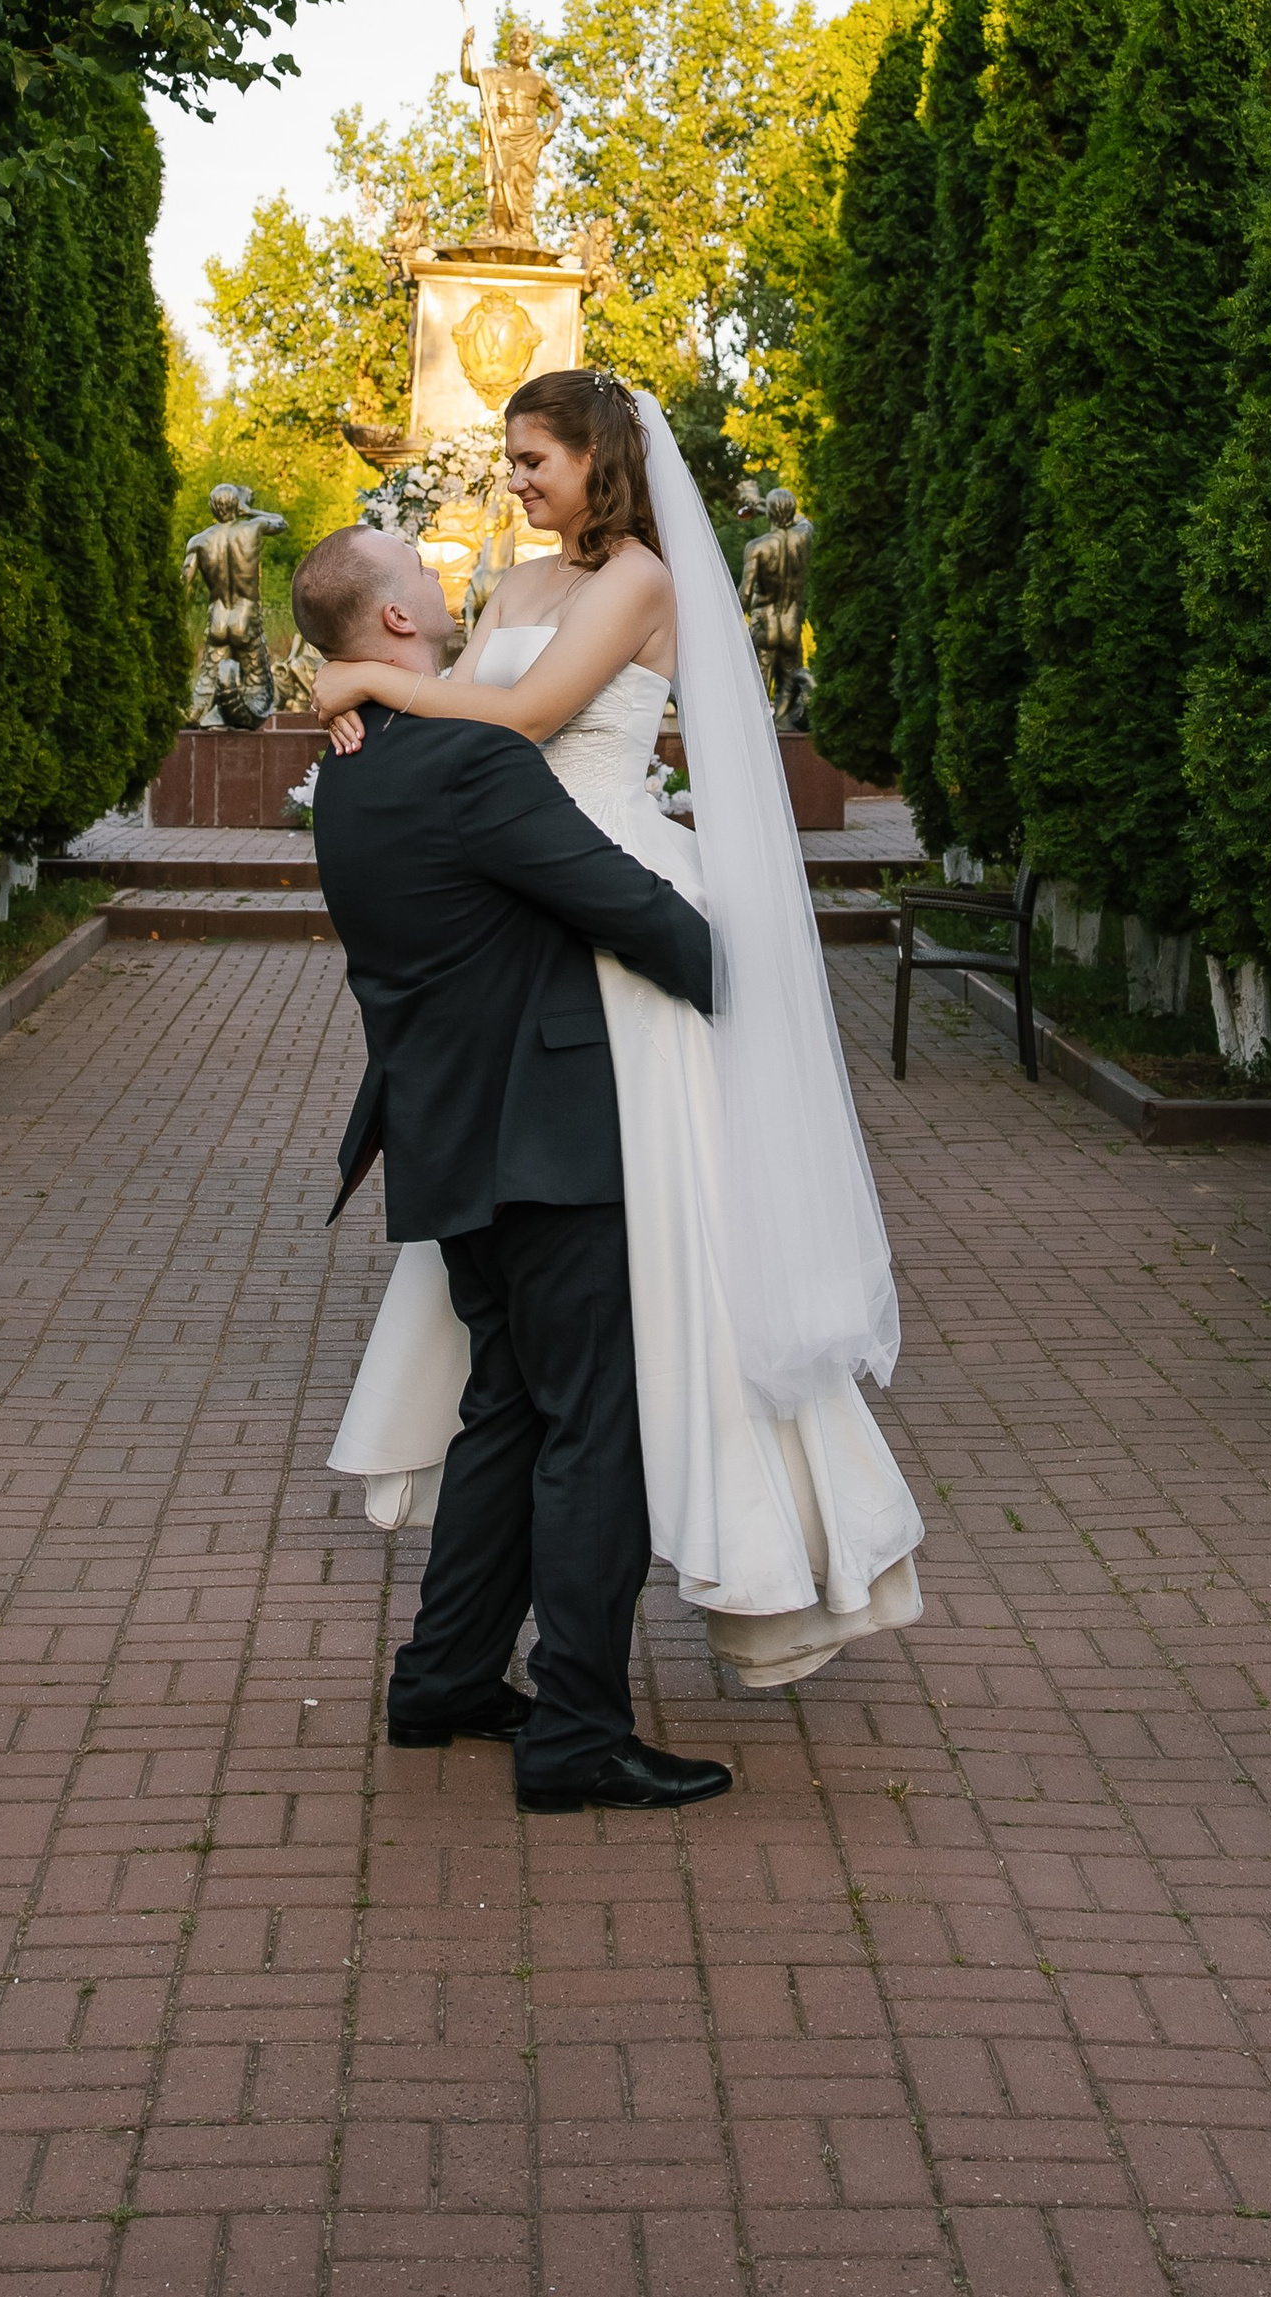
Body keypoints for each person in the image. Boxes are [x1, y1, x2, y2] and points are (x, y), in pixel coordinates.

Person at [308, 368, 924, 1695]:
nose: (517, 477)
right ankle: (507, 1657)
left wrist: (362, 674)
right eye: (512, 457)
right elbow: (467, 721)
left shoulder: (641, 578)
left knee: (675, 1241)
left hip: (616, 890)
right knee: (544, 1316)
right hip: (526, 899)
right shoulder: (519, 586)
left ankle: (726, 1540)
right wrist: (360, 695)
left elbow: (523, 720)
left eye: (536, 456)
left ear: (602, 457)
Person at [293, 515, 736, 1817]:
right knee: (597, 1419)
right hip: (544, 1138)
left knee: (509, 1405)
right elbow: (619, 902)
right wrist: (755, 987)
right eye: (421, 573)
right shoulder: (462, 764)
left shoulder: (355, 771)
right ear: (391, 624)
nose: (445, 580)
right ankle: (579, 1730)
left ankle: (444, 1680)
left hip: (443, 1134)